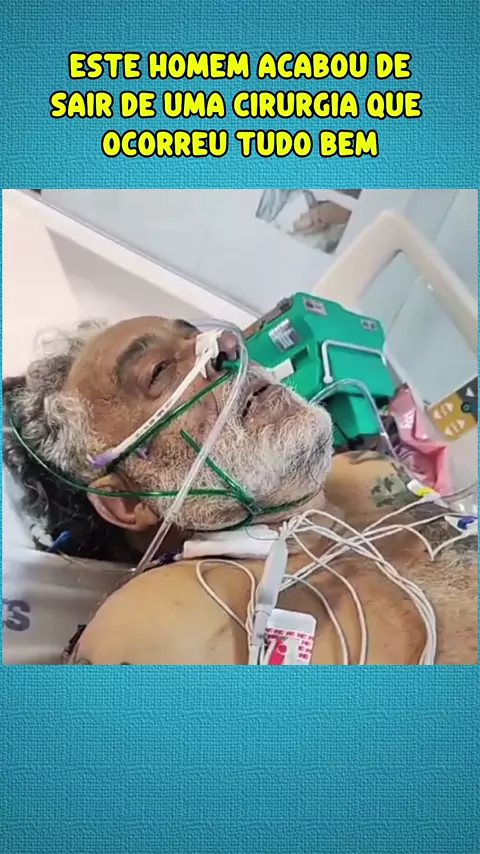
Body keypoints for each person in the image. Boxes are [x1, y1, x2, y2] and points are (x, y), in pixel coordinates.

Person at [3, 316, 477, 664]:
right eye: (159, 372)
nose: (226, 345)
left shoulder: (367, 473)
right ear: (127, 502)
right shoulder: (164, 629)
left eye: (195, 336)